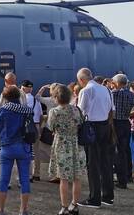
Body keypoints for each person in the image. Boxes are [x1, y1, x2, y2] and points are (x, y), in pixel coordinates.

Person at [77, 68, 114, 208]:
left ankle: (94, 198)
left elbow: (81, 111)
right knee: (105, 162)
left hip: (92, 127)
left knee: (92, 163)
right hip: (105, 125)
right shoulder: (105, 89)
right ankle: (108, 196)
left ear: (81, 79)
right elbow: (111, 108)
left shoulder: (86, 90)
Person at [0, 85, 33, 215]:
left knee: (3, 179)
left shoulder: (3, 110)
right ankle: (24, 210)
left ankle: (1, 211)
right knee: (24, 180)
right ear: (18, 96)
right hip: (24, 147)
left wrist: (2, 138)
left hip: (7, 147)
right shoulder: (26, 110)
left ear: (5, 97)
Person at [48, 84, 85, 215]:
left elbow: (50, 127)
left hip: (61, 145)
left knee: (63, 178)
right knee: (77, 177)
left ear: (56, 97)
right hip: (76, 144)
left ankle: (64, 206)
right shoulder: (76, 110)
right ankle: (74, 204)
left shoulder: (54, 112)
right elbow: (80, 123)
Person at [110, 74, 134, 189]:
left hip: (114, 123)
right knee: (125, 151)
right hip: (125, 122)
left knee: (116, 152)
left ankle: (120, 180)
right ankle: (127, 176)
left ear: (116, 83)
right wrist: (130, 114)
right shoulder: (132, 95)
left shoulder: (112, 94)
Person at [35, 83, 60, 184]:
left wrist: (42, 88)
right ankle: (59, 174)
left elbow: (37, 97)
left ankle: (54, 174)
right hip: (59, 129)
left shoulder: (50, 100)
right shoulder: (61, 100)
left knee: (45, 149)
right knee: (57, 151)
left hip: (50, 128)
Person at [22, 80, 43, 182]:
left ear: (23, 88)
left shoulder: (22, 99)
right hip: (35, 126)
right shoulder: (36, 100)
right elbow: (40, 115)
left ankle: (27, 174)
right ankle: (37, 174)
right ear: (31, 88)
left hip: (25, 127)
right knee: (36, 151)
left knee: (25, 150)